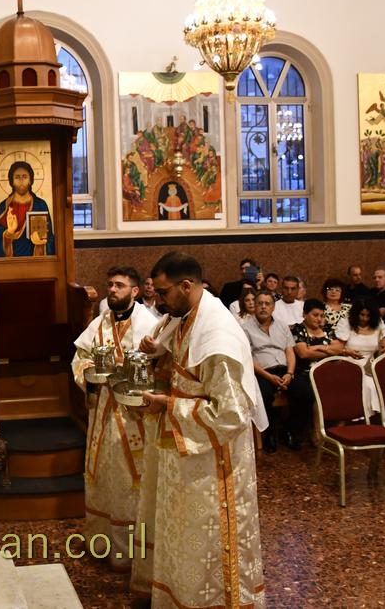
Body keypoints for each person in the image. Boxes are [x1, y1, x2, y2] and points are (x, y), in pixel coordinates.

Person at [131, 252, 266, 608]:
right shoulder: (186, 317)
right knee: (180, 530)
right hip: (185, 449)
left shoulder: (217, 336)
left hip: (213, 460)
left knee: (205, 538)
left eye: (163, 292)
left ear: (187, 286)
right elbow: (181, 369)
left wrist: (168, 405)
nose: (159, 300)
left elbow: (232, 414)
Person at [71, 267, 158, 571]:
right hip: (103, 412)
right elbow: (80, 357)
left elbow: (160, 365)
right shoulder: (99, 323)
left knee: (130, 481)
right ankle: (101, 543)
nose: (112, 290)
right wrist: (89, 374)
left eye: (119, 285)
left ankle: (131, 554)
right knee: (103, 474)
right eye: (110, 284)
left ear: (135, 291)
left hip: (134, 417)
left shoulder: (150, 325)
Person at [242, 291, 300, 452]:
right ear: (254, 306)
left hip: (285, 370)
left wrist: (289, 373)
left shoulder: (282, 325)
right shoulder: (245, 328)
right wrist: (268, 377)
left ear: (273, 307)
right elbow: (248, 358)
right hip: (262, 372)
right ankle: (270, 434)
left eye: (267, 304)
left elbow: (290, 352)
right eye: (260, 303)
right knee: (264, 395)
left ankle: (290, 430)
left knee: (306, 393)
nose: (263, 307)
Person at [290, 299, 338, 440]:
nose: (319, 319)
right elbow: (303, 353)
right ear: (305, 314)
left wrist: (317, 347)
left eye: (322, 316)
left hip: (329, 369)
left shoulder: (327, 329)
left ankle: (339, 428)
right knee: (316, 388)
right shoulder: (298, 329)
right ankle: (317, 431)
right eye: (315, 315)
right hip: (306, 372)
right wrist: (328, 350)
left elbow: (339, 349)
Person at [335, 297, 385, 416]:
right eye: (362, 315)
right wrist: (347, 351)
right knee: (368, 385)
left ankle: (378, 417)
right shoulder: (346, 322)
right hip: (349, 363)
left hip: (371, 365)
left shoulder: (378, 323)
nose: (364, 319)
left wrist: (383, 351)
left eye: (368, 316)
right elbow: (337, 348)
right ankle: (361, 417)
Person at [0, 161, 54, 257]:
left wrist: (41, 243)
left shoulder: (40, 205)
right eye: (17, 177)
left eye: (24, 177)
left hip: (34, 261)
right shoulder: (4, 207)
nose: (21, 180)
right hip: (10, 262)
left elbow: (50, 238)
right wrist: (8, 233)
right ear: (12, 181)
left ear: (30, 180)